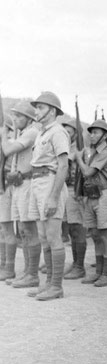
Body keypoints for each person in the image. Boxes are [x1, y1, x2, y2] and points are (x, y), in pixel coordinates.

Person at [27, 91, 70, 301]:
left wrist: (53, 197)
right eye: (36, 107)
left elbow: (63, 165)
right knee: (43, 237)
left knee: (53, 237)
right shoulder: (41, 133)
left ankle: (56, 286)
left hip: (50, 183)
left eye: (41, 107)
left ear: (52, 111)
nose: (37, 111)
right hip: (37, 183)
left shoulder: (57, 132)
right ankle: (48, 284)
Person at [0, 102, 41, 288]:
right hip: (18, 184)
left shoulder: (31, 132)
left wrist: (4, 135)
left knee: (29, 230)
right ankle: (27, 273)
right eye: (14, 117)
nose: (15, 120)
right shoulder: (23, 133)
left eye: (19, 117)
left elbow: (8, 150)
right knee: (24, 231)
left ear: (30, 119)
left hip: (27, 183)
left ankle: (32, 274)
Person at [74, 119, 107, 287]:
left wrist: (78, 159)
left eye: (96, 132)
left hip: (103, 196)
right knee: (96, 235)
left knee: (105, 236)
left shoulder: (106, 152)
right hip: (92, 196)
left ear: (105, 135)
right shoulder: (92, 152)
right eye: (91, 132)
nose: (92, 135)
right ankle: (99, 272)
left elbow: (88, 172)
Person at [61, 119, 87, 280]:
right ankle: (76, 262)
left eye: (69, 132)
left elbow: (68, 162)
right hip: (66, 190)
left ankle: (80, 266)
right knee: (71, 229)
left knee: (78, 229)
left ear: (76, 134)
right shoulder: (66, 147)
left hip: (75, 191)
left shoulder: (79, 149)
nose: (66, 134)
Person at [0, 115, 18, 282]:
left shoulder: (10, 144)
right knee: (2, 231)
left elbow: (9, 168)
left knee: (6, 229)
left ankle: (9, 267)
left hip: (5, 188)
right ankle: (2, 264)